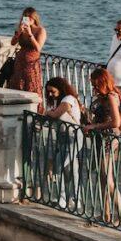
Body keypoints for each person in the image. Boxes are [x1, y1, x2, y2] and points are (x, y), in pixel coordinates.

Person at [83, 68, 121, 226]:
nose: (94, 87)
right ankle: (106, 214)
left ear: (103, 82)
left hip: (108, 139)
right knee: (102, 178)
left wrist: (95, 126)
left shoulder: (111, 97)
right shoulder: (102, 97)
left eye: (95, 84)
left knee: (108, 179)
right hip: (100, 138)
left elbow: (115, 122)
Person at [44, 77, 83, 209]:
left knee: (60, 166)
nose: (50, 94)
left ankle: (63, 199)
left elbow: (55, 115)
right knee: (70, 169)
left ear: (60, 89)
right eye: (48, 92)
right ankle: (75, 198)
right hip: (62, 136)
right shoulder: (58, 102)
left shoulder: (68, 99)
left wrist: (48, 112)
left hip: (73, 137)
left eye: (52, 91)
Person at [9, 7, 47, 109]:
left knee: (31, 86)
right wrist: (18, 33)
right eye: (25, 17)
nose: (27, 19)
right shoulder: (21, 29)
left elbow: (38, 47)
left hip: (31, 64)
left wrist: (30, 34)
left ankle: (34, 110)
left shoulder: (40, 30)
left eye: (29, 17)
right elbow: (12, 43)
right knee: (18, 86)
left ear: (34, 19)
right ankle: (18, 109)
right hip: (20, 63)